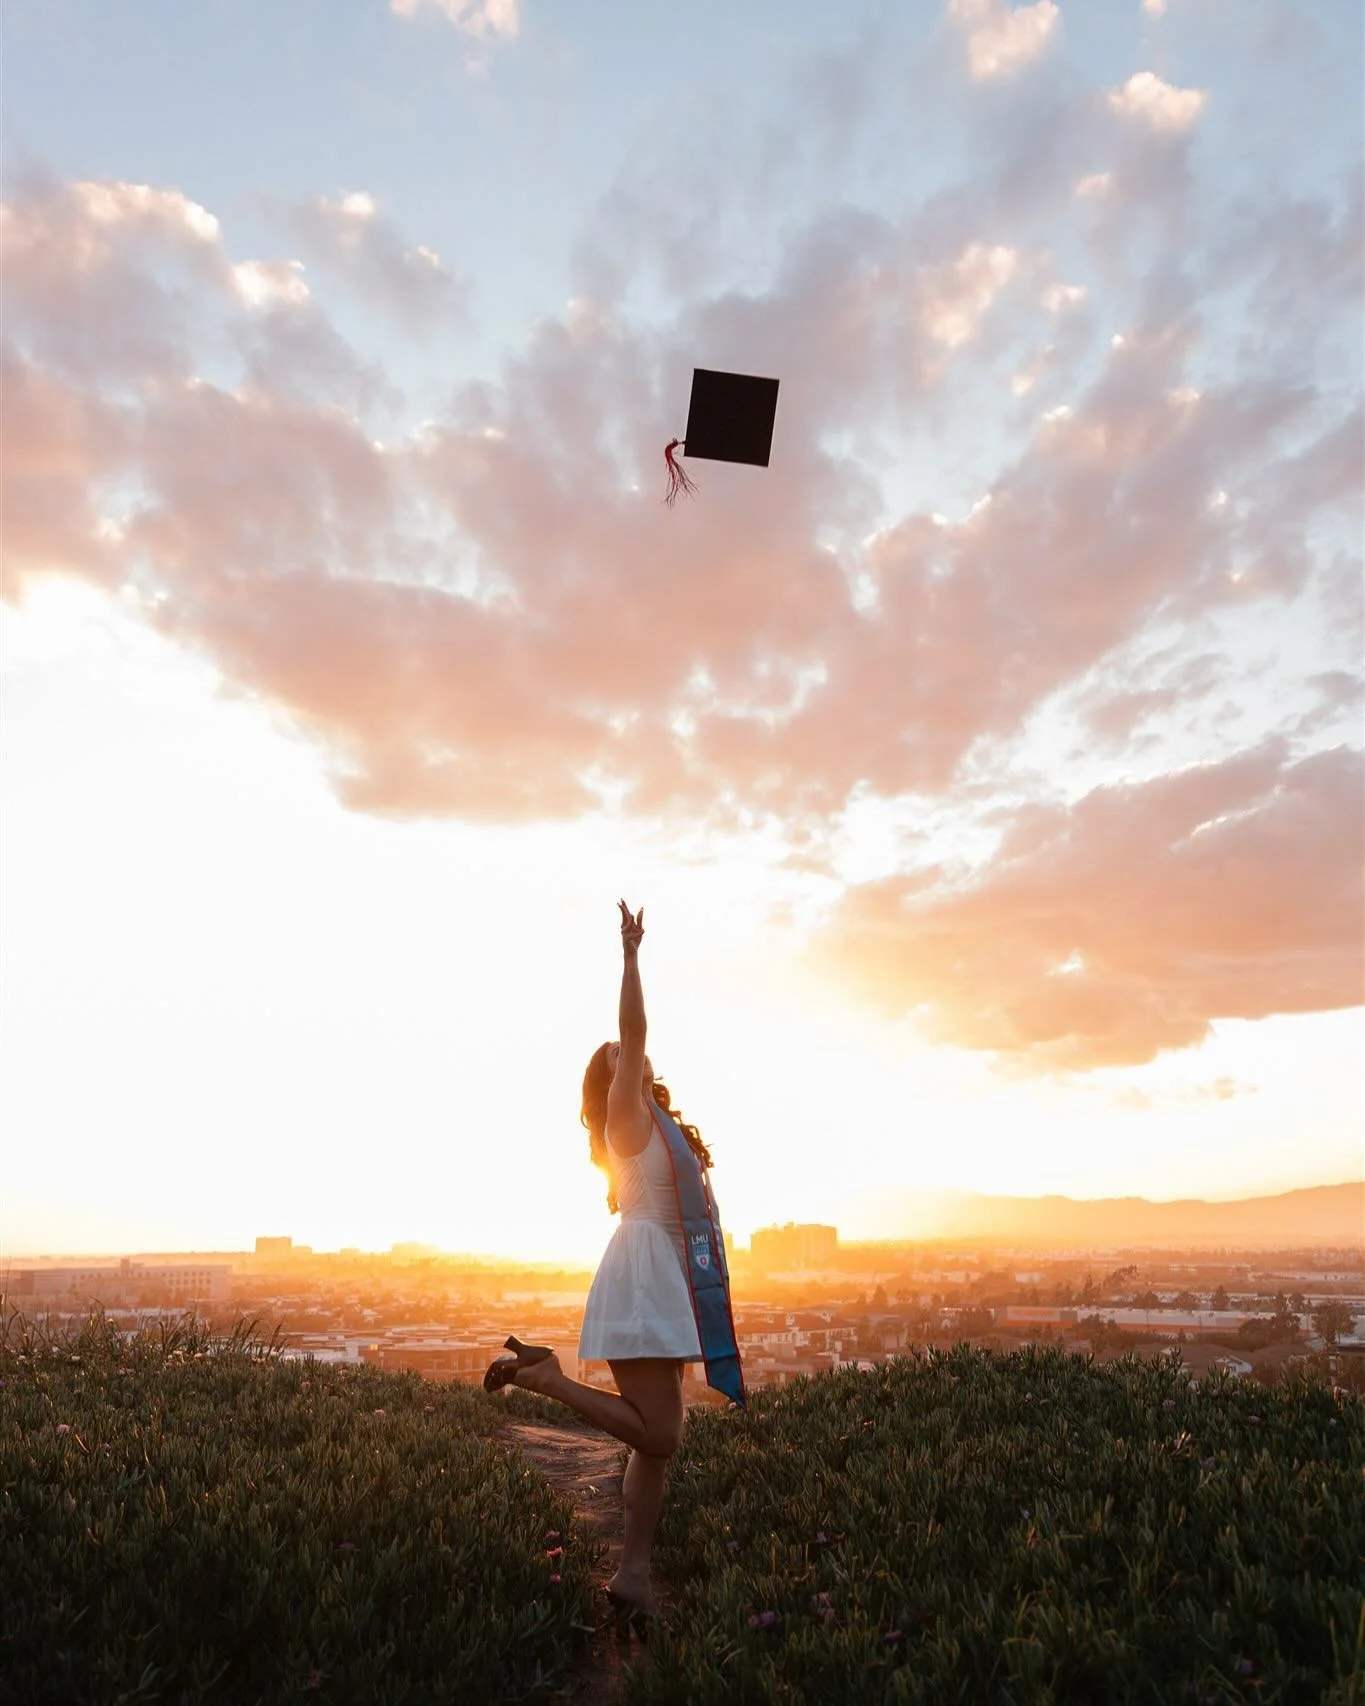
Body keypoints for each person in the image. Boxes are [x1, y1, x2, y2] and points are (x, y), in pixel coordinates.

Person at [484, 899, 734, 1619]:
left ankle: (632, 1575)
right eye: (615, 1060)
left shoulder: (654, 1124)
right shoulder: (625, 1115)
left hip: (663, 1277)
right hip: (646, 1277)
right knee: (660, 1431)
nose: (626, 1054)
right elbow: (633, 1027)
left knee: (653, 1449)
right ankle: (550, 1381)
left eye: (626, 1058)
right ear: (611, 1082)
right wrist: (630, 955)